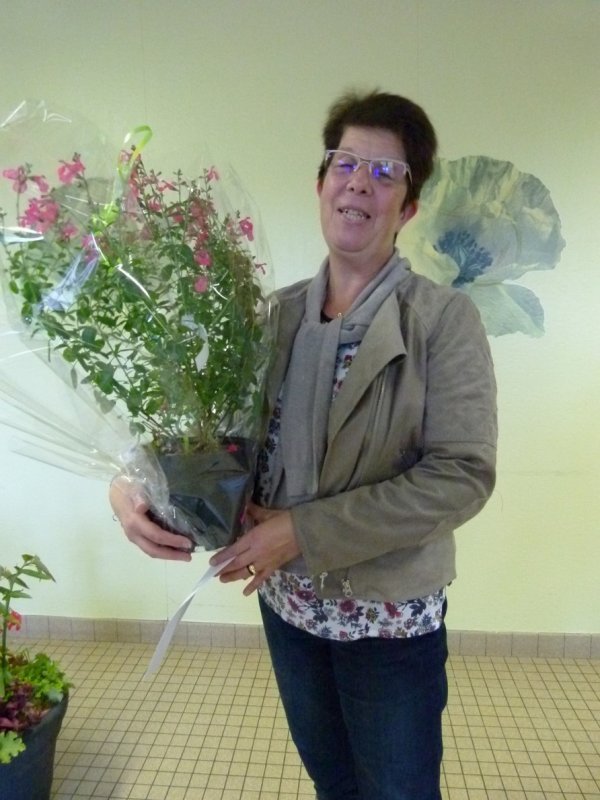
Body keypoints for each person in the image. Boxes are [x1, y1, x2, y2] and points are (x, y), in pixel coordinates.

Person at [111, 90, 497, 800]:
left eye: (385, 173)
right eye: (345, 163)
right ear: (321, 184)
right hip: (288, 611)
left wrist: (303, 531)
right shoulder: (271, 315)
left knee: (399, 791)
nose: (360, 182)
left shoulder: (443, 320)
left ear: (409, 208)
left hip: (388, 622)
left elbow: (461, 475)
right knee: (332, 783)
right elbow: (209, 435)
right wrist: (135, 485)